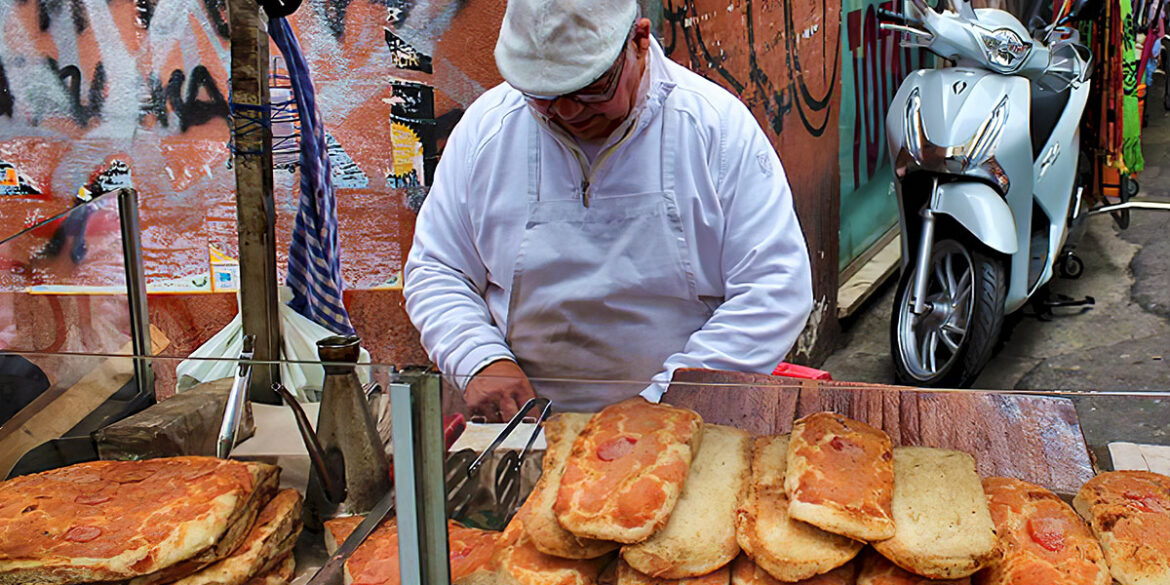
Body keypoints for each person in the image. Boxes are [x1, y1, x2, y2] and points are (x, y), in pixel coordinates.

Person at [403, 0, 814, 420]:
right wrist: (478, 357)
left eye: (589, 90)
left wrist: (666, 405)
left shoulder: (715, 129)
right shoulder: (487, 130)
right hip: (525, 425)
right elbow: (438, 268)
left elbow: (775, 285)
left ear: (638, 41)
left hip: (687, 420)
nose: (566, 112)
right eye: (543, 96)